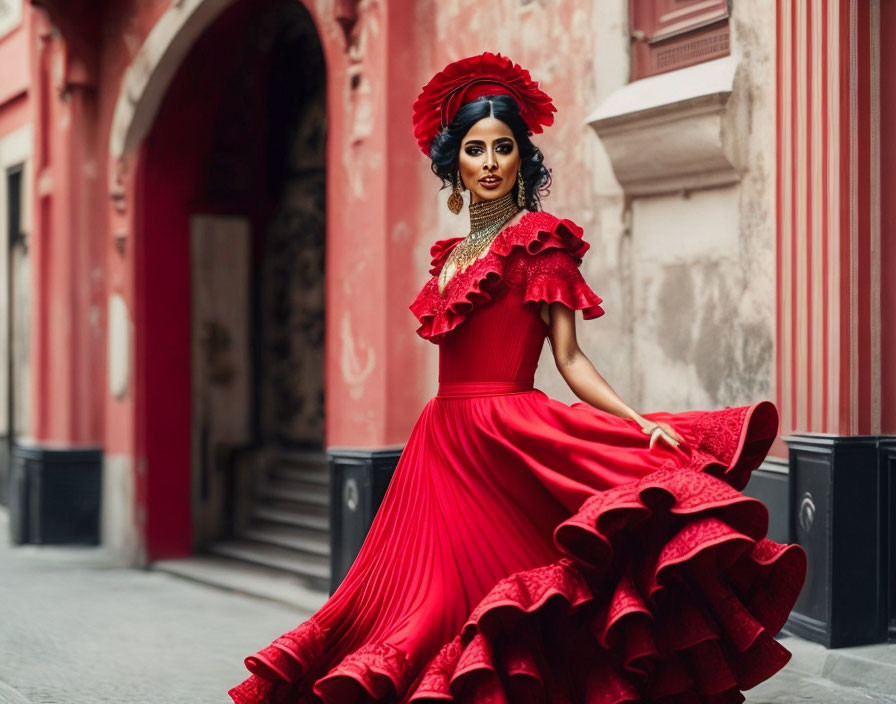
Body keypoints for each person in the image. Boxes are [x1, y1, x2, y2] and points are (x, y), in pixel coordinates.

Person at [229, 52, 806, 704]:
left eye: (504, 147)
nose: (491, 161)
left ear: (521, 158)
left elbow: (571, 359)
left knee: (513, 596)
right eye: (476, 149)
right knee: (428, 602)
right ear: (456, 164)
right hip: (439, 450)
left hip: (509, 438)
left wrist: (636, 421)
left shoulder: (541, 240)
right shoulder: (449, 257)